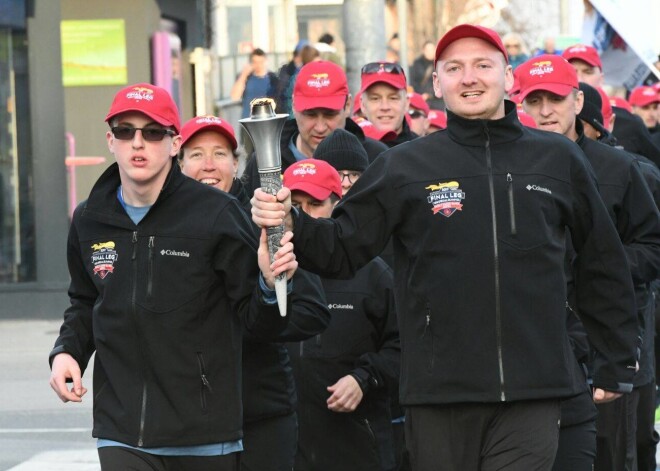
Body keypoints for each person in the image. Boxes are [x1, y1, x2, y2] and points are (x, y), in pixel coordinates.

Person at [251, 24, 639, 471]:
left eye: (482, 66)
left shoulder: (557, 159)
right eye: (454, 68)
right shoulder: (406, 166)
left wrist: (616, 359)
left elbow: (601, 261)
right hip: (438, 394)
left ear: (508, 77)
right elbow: (342, 247)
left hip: (534, 389)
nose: (469, 78)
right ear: (436, 83)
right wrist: (291, 221)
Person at [48, 83, 302, 471]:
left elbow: (256, 317)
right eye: (125, 131)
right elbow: (84, 301)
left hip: (204, 436)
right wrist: (68, 352)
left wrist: (268, 283)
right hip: (122, 431)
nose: (138, 143)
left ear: (173, 144)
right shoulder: (88, 218)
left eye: (152, 133)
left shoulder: (216, 214)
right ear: (110, 141)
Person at [518, 55, 660, 470]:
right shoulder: (507, 167)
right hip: (534, 346)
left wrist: (597, 267)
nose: (545, 111)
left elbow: (653, 246)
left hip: (606, 343)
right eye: (535, 100)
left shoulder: (619, 168)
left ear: (578, 102)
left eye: (556, 99)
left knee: (615, 454)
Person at [177, 115, 330, 471]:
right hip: (187, 421)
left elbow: (314, 310)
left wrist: (258, 307)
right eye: (196, 154)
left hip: (260, 414)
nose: (209, 165)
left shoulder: (267, 221)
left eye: (219, 153)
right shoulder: (164, 229)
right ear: (179, 162)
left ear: (236, 161)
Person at [282, 157, 400, 471]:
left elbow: (405, 347)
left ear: (339, 205)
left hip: (358, 450)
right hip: (286, 452)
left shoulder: (373, 274)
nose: (302, 214)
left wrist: (365, 378)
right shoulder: (267, 272)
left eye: (315, 203)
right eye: (293, 205)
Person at [241, 60, 388, 196]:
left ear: (348, 105)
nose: (320, 127)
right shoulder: (266, 160)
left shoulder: (377, 158)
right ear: (294, 105)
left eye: (330, 115)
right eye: (310, 114)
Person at [562, 44, 660, 165]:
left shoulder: (629, 122)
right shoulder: (547, 119)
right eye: (572, 72)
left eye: (588, 71)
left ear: (601, 78)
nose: (579, 78)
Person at [359, 61, 418, 147]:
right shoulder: (350, 151)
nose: (385, 107)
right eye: (375, 98)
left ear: (406, 103)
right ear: (363, 105)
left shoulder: (423, 152)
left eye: (393, 98)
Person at [230, 48, 278, 119]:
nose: (258, 65)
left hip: (267, 121)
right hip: (248, 121)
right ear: (251, 63)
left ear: (266, 61)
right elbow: (234, 97)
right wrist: (244, 75)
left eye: (261, 62)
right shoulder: (246, 77)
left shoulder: (273, 78)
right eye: (255, 62)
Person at [275, 40, 309, 116]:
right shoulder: (286, 70)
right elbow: (281, 92)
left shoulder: (309, 71)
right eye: (297, 55)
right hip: (288, 114)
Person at [410, 40, 443, 109]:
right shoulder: (417, 63)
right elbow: (413, 81)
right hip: (421, 100)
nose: (430, 52)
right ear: (423, 50)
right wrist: (420, 95)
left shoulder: (440, 63)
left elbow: (443, 83)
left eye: (432, 49)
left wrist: (430, 94)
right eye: (427, 50)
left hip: (437, 101)